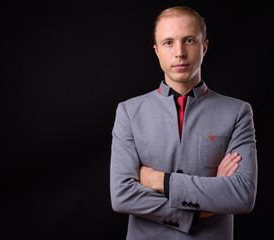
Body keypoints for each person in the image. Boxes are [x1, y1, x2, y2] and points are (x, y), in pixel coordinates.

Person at [110, 6, 257, 240]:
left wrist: (161, 181)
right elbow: (122, 196)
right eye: (168, 43)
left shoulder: (238, 112)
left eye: (189, 40)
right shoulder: (128, 112)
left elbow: (242, 195)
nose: (179, 52)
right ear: (157, 51)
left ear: (204, 47)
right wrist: (200, 210)